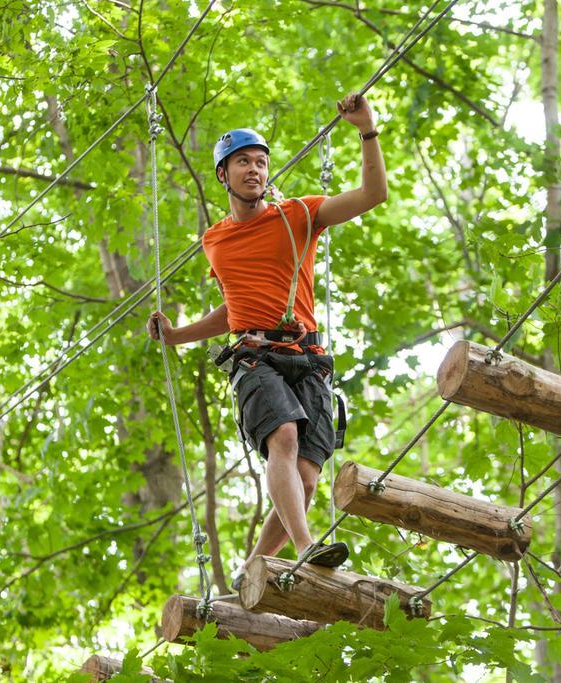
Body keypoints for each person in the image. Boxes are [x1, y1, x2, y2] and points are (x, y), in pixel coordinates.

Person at [146, 92, 387, 589]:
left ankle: (254, 568)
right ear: (224, 175)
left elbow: (372, 196)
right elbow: (234, 309)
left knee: (305, 481)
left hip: (309, 356)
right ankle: (305, 547)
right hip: (257, 358)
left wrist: (367, 130)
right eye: (242, 163)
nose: (254, 170)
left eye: (260, 162)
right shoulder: (215, 240)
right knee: (284, 436)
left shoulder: (298, 214)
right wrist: (177, 337)